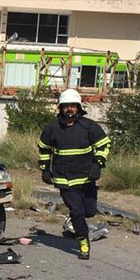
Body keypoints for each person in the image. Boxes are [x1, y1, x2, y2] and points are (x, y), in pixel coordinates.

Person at [37, 89, 111, 260]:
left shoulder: (89, 126)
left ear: (78, 108)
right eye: (66, 106)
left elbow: (104, 145)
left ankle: (75, 222)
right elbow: (44, 149)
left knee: (89, 211)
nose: (69, 109)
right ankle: (83, 242)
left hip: (87, 178)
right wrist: (45, 169)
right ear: (60, 108)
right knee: (77, 211)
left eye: (73, 106)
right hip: (65, 179)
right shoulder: (52, 128)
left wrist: (98, 164)